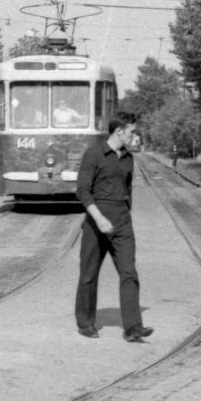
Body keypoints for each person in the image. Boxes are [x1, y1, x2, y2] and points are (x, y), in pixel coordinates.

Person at [74, 111, 152, 342]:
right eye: (131, 132)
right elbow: (83, 190)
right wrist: (98, 218)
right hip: (96, 220)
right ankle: (86, 322)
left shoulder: (128, 158)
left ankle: (133, 327)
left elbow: (128, 191)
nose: (134, 136)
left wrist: (124, 217)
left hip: (121, 221)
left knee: (129, 272)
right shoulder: (93, 154)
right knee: (89, 273)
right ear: (119, 131)